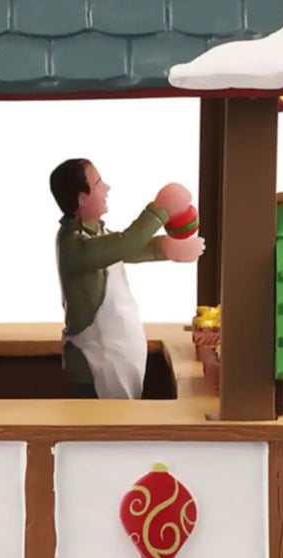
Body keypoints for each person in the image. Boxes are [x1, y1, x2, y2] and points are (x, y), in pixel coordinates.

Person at [50, 159, 205, 399]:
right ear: (81, 198)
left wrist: (165, 247)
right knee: (103, 421)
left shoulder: (95, 233)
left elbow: (127, 249)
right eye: (98, 183)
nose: (107, 188)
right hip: (96, 362)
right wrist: (160, 210)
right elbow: (124, 245)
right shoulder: (75, 244)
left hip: (116, 358)